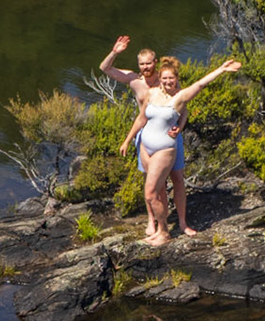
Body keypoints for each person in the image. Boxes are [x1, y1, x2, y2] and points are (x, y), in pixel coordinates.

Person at [119, 55, 241, 245]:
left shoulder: (180, 97)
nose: (168, 81)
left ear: (176, 79)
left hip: (164, 149)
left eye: (171, 78)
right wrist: (127, 140)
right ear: (160, 77)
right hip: (145, 145)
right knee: (155, 191)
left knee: (151, 193)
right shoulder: (151, 93)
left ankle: (165, 233)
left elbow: (200, 84)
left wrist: (221, 69)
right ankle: (159, 229)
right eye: (165, 78)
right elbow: (141, 119)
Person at [100, 36, 195, 236]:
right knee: (153, 184)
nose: (145, 67)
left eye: (148, 63)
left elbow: (184, 108)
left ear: (155, 62)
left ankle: (182, 222)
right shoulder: (134, 80)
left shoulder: (166, 80)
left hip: (170, 135)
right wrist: (115, 52)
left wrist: (181, 126)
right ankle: (153, 221)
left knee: (178, 178)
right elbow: (105, 69)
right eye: (141, 64)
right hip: (147, 135)